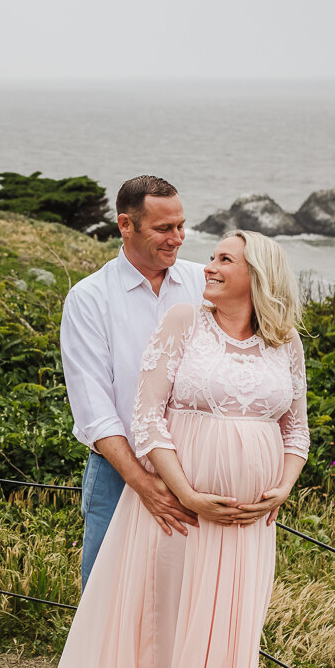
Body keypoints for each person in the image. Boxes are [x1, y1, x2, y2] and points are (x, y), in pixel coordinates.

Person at [42, 229, 309, 668]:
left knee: (224, 651)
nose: (208, 266)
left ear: (258, 276)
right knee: (163, 636)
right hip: (180, 518)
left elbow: (295, 428)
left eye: (223, 258)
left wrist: (284, 483)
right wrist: (185, 492)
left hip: (247, 532)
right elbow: (148, 414)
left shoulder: (286, 342)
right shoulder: (185, 322)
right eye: (212, 255)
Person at [61, 175, 206, 586]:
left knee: (182, 603)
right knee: (106, 604)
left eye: (181, 225)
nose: (177, 238)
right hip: (117, 474)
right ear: (126, 225)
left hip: (195, 471)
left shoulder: (204, 285)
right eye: (164, 229)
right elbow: (95, 411)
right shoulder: (90, 299)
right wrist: (143, 484)